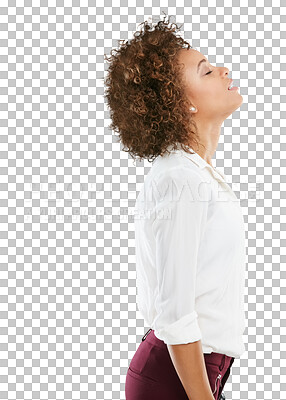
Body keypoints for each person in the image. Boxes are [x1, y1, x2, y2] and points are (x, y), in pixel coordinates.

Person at [104, 15, 246, 400]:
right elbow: (176, 314)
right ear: (183, 103)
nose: (223, 70)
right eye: (207, 71)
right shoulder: (180, 179)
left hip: (192, 371)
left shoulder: (194, 175)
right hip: (174, 376)